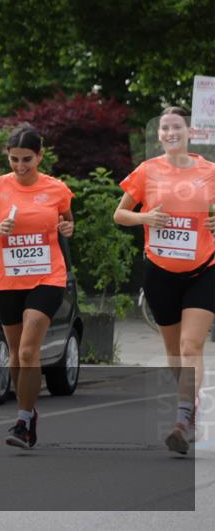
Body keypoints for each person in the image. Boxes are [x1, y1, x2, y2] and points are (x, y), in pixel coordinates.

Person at [113, 106, 215, 455]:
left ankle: (182, 418)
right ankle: (189, 404)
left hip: (204, 270)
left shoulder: (210, 171)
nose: (170, 133)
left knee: (190, 347)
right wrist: (146, 217)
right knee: (174, 352)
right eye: (164, 128)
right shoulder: (147, 171)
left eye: (177, 127)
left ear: (190, 133)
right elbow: (119, 214)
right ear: (159, 135)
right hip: (160, 273)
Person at [0, 124, 75, 449]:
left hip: (47, 277)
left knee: (29, 349)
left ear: (40, 156)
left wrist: (68, 227)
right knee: (16, 353)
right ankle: (28, 412)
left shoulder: (56, 189)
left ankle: (22, 421)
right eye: (14, 159)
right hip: (8, 279)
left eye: (27, 159)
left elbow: (67, 221)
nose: (20, 166)